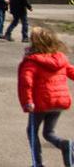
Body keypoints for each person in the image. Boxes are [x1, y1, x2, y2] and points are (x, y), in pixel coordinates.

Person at [18, 26, 74, 167]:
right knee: (48, 133)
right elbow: (72, 72)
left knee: (32, 131)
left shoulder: (31, 62)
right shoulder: (61, 59)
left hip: (40, 103)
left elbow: (26, 83)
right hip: (59, 103)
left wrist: (28, 102)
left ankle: (38, 163)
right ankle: (64, 145)